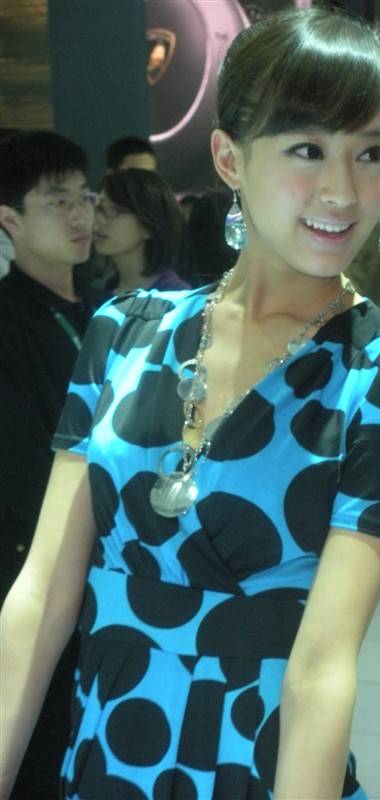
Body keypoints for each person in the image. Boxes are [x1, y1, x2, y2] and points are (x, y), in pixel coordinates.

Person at [0, 8, 380, 800]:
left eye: (369, 153)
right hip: (106, 758)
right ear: (229, 158)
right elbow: (41, 596)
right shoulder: (122, 333)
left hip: (254, 767)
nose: (343, 190)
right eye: (307, 149)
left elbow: (322, 667)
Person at [0, 130, 101, 798]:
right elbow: (23, 472)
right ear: (8, 219)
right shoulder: (8, 324)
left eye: (85, 197)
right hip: (38, 564)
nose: (79, 215)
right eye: (56, 201)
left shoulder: (104, 310)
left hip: (110, 570)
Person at [95, 167, 189, 292]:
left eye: (115, 210)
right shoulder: (98, 292)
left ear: (148, 225)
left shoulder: (174, 295)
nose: (100, 220)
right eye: (100, 208)